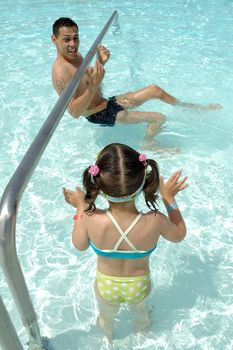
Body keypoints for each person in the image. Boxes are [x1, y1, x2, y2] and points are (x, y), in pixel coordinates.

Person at [63, 143, 189, 342]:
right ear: (143, 182)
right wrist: (168, 198)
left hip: (107, 286)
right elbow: (179, 234)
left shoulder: (91, 217)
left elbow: (79, 245)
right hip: (139, 286)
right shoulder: (155, 220)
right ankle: (142, 335)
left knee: (106, 317)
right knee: (141, 314)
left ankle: (107, 339)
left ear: (98, 186)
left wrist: (80, 208)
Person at [51, 17, 221, 145]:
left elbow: (88, 82)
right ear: (54, 40)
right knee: (159, 118)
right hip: (100, 115)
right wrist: (94, 84)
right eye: (66, 39)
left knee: (155, 89)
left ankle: (189, 107)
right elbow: (74, 112)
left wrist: (101, 63)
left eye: (76, 38)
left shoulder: (76, 56)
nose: (73, 44)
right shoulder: (61, 73)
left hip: (107, 103)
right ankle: (148, 144)